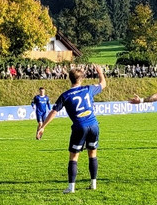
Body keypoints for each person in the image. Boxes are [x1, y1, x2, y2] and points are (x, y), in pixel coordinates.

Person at [36, 66, 107, 194]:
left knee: (74, 157)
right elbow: (103, 84)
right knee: (93, 154)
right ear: (82, 79)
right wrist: (100, 72)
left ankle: (71, 187)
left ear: (69, 79)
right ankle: (93, 184)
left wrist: (42, 127)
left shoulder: (65, 95)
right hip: (94, 125)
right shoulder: (88, 89)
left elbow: (53, 112)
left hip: (80, 127)